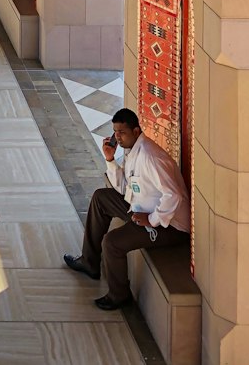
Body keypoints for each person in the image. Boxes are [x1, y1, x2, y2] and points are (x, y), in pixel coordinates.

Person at [63, 107, 190, 311]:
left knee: (112, 243)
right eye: (115, 132)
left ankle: (119, 295)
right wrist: (110, 160)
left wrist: (152, 220)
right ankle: (89, 262)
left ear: (136, 131)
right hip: (140, 207)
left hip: (169, 225)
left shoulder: (150, 157)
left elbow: (173, 195)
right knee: (101, 198)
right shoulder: (132, 152)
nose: (117, 137)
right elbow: (123, 188)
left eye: (122, 132)